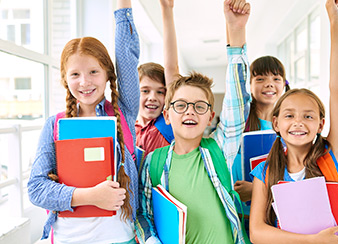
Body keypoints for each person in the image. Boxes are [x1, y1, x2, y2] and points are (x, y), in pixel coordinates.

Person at [135, 1, 251, 242]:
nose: (190, 112)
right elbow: (144, 213)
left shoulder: (219, 150)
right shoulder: (153, 163)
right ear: (167, 115)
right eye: (181, 105)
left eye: (200, 107)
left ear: (210, 117)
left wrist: (236, 31)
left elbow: (237, 103)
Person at [27, 0, 140, 243]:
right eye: (75, 74)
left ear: (108, 73)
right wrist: (90, 196)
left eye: (93, 72)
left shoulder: (123, 114)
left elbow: (127, 58)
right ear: (65, 79)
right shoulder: (54, 125)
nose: (84, 82)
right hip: (69, 237)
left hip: (119, 237)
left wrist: (123, 7)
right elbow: (36, 189)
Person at [249, 0, 338, 243]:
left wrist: (336, 23)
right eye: (289, 115)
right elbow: (256, 233)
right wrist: (312, 240)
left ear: (320, 125)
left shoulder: (331, 157)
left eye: (308, 116)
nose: (298, 122)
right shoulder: (265, 171)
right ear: (276, 124)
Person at [228, 1, 290, 236]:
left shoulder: (289, 126)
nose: (269, 85)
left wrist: (258, 190)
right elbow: (235, 69)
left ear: (284, 84)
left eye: (276, 78)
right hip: (236, 213)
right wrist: (235, 27)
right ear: (249, 85)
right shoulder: (240, 117)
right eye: (260, 79)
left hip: (272, 217)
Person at [135, 0, 180, 158]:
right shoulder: (127, 129)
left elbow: (172, 67)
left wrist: (167, 10)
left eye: (160, 92)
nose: (152, 97)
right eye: (145, 91)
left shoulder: (169, 122)